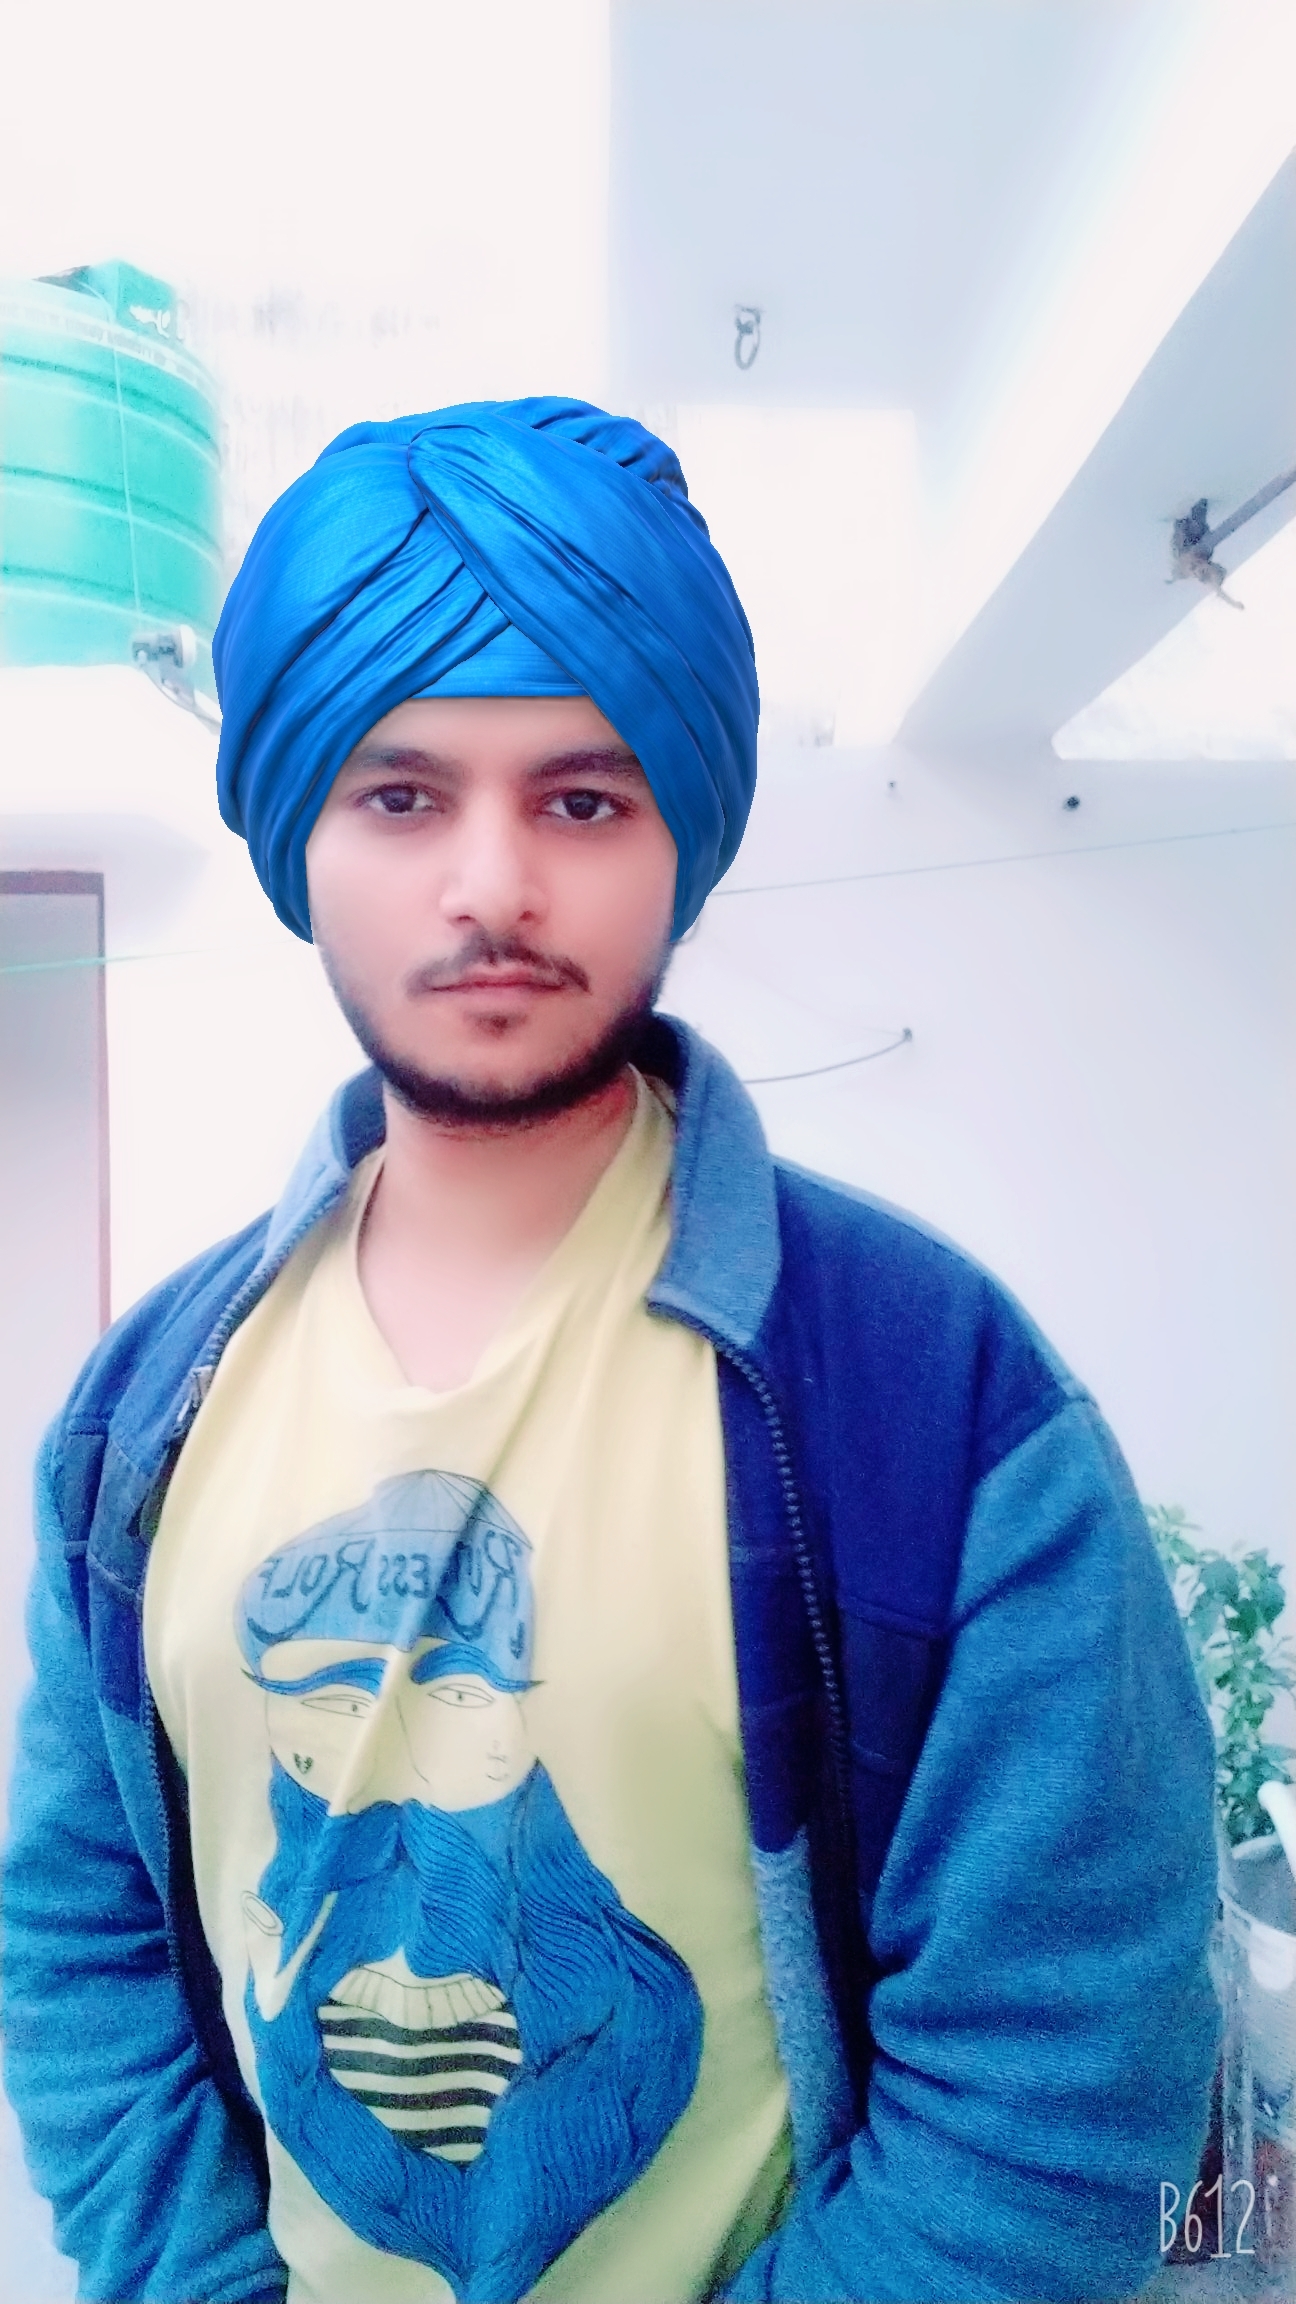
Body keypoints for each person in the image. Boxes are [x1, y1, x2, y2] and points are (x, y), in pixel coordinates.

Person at [3, 399, 1219, 2304]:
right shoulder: (143, 1413)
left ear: (680, 841)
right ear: (298, 835)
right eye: (402, 797)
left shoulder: (935, 1399)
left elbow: (1065, 2105)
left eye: (581, 800)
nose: (493, 885)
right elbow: (82, 1939)